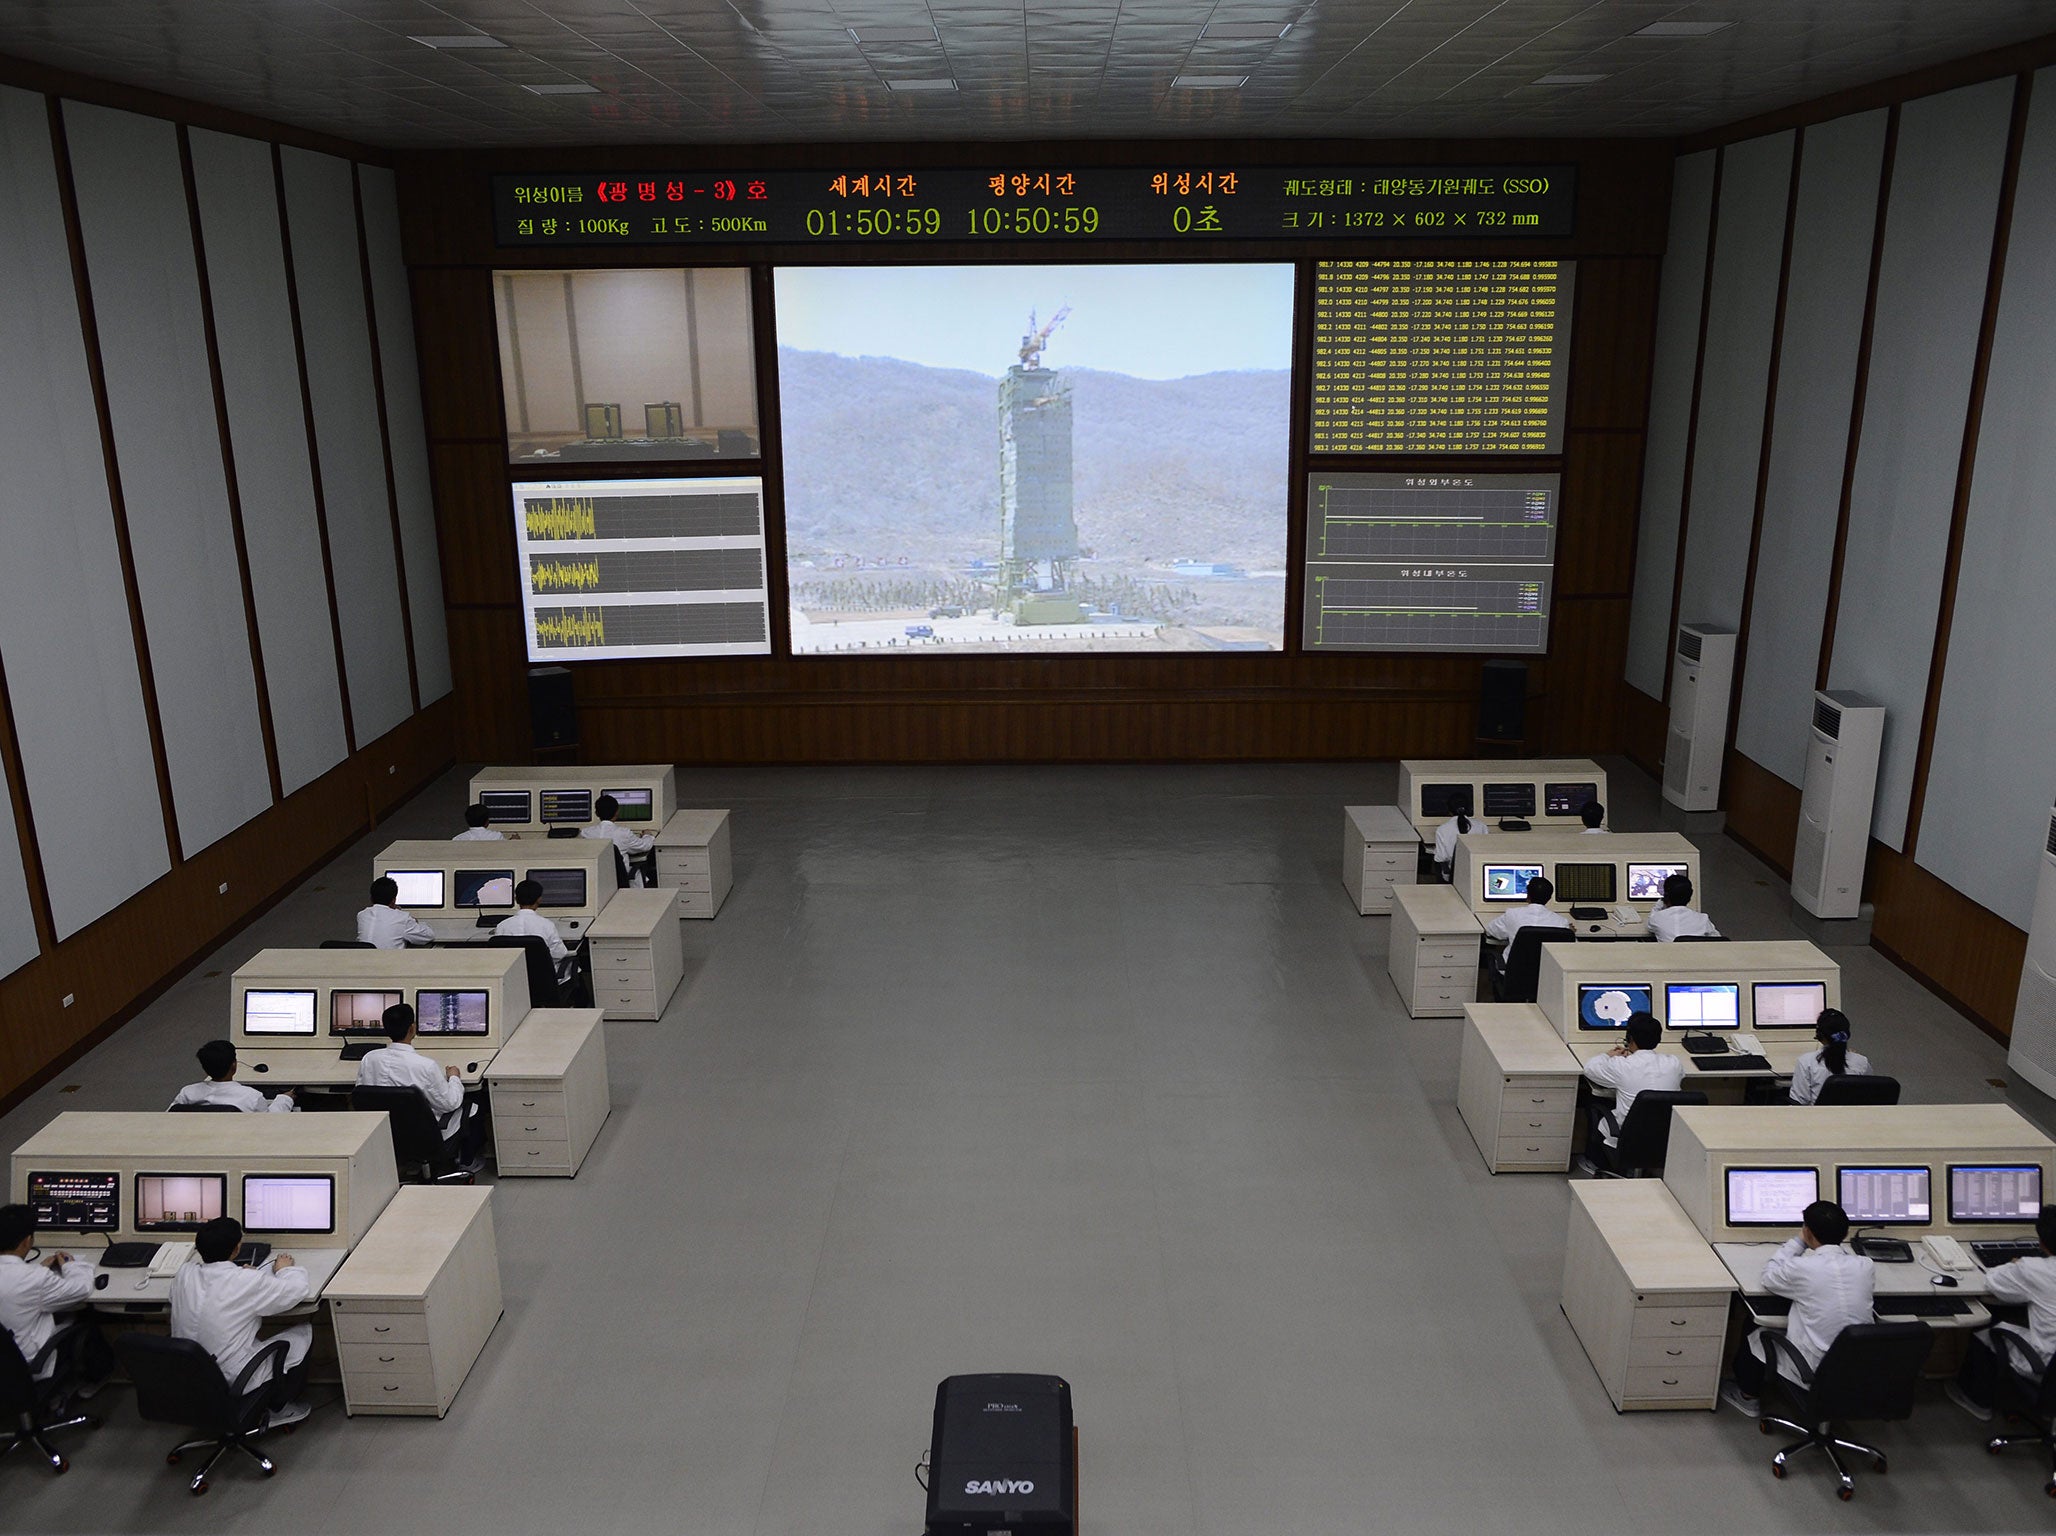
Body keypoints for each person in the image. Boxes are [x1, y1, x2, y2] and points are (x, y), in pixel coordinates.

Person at [1721, 1200, 1874, 1416]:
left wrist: (1800, 1241)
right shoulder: (1865, 1266)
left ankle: (1748, 1396)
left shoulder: (1803, 1268)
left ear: (1808, 1231)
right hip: (1859, 1369)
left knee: (1755, 1326)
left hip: (1815, 1370)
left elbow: (1769, 1278)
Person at [169, 1216, 311, 1428]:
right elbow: (296, 1291)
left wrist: (246, 1278)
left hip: (189, 1375)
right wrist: (285, 1269)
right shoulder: (245, 1281)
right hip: (233, 1377)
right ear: (237, 1249)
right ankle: (278, 1409)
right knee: (304, 1333)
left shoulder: (184, 1274)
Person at [1947, 1205, 2056, 1421]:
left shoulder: (2034, 1269)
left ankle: (1977, 1400)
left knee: (1986, 1327)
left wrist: (2014, 1264)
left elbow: (1992, 1282)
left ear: (2041, 1241)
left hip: (2047, 1362)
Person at [354, 1003, 483, 1166]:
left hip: (384, 1134)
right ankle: (467, 1161)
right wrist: (454, 1078)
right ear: (412, 1028)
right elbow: (450, 1103)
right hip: (424, 1136)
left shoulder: (369, 1059)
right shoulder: (425, 1066)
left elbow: (362, 1092)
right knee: (475, 1104)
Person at [0, 1203, 107, 1394]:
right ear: (27, 1241)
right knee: (86, 1318)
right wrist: (71, 1266)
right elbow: (81, 1289)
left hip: (6, 1365)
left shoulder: (33, 1276)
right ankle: (93, 1380)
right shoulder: (34, 1279)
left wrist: (38, 1270)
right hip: (28, 1366)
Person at [1580, 1011, 1684, 1154]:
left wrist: (1608, 1055)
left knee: (1593, 1101)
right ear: (1658, 1039)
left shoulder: (1621, 1065)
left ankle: (1595, 1159)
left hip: (1627, 1135)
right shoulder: (1674, 1063)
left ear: (1630, 1038)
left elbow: (1590, 1069)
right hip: (1664, 1134)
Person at [169, 1039, 296, 1113]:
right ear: (234, 1065)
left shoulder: (187, 1093)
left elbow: (167, 1117)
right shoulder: (251, 1097)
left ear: (205, 1070)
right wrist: (284, 1099)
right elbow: (269, 1123)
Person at [494, 879, 576, 982]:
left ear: (516, 900)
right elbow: (559, 954)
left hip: (514, 980)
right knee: (574, 966)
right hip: (543, 981)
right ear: (539, 899)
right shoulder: (547, 925)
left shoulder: (502, 926)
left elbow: (500, 956)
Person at [1483, 873, 1572, 968]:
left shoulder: (1512, 915)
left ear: (1527, 895)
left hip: (1513, 973)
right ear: (1549, 898)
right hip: (1547, 974)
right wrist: (1569, 932)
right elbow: (1570, 947)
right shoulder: (1562, 923)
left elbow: (1490, 931)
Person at [1787, 1009, 1872, 1105]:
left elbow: (1799, 1102)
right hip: (1852, 1118)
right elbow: (1867, 1096)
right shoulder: (1862, 1062)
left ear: (1820, 1035)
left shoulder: (1806, 1062)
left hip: (1818, 1118)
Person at [581, 794, 655, 886]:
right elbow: (645, 846)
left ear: (596, 813)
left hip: (596, 880)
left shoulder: (586, 833)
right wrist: (648, 835)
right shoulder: (623, 833)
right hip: (620, 881)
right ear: (617, 812)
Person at [356, 876, 435, 949]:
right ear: (394, 900)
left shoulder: (362, 915)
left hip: (364, 962)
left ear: (371, 898)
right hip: (390, 963)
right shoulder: (402, 918)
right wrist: (416, 922)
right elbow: (429, 936)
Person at [1647, 873, 1721, 941]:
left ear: (1666, 896)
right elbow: (1719, 941)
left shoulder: (1656, 918)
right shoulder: (1703, 919)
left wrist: (1661, 901)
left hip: (1668, 955)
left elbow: (1650, 925)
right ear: (1690, 895)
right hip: (1696, 955)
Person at [1431, 791, 1485, 872]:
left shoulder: (1442, 829)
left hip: (1455, 874)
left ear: (1448, 809)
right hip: (1478, 870)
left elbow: (1441, 858)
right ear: (1469, 808)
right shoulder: (1481, 826)